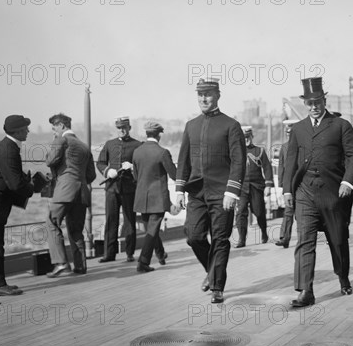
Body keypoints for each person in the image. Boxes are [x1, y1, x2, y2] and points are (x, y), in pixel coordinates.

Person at [283, 77, 353, 307]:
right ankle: (306, 290)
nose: (314, 106)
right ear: (304, 104)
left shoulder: (341, 126)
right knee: (305, 241)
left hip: (334, 194)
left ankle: (343, 276)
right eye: (309, 102)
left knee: (337, 240)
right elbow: (290, 163)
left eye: (317, 101)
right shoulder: (298, 129)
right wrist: (288, 190)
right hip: (305, 193)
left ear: (324, 100)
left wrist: (347, 182)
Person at [176, 78, 246, 304]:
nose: (203, 99)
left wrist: (231, 192)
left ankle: (217, 287)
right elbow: (183, 160)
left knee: (220, 239)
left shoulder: (231, 125)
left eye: (208, 95)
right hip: (197, 192)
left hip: (221, 193)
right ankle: (212, 270)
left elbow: (238, 161)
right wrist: (178, 190)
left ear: (217, 95)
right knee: (193, 236)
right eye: (200, 95)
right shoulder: (191, 126)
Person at [0, 115, 34, 295]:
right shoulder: (9, 149)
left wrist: (24, 180)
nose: (28, 131)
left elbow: (10, 176)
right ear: (18, 131)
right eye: (26, 128)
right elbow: (15, 184)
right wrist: (32, 187)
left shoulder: (6, 146)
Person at [45, 113, 97, 277]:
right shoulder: (84, 146)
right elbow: (91, 176)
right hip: (81, 192)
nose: (54, 131)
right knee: (76, 230)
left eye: (54, 128)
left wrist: (55, 140)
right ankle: (80, 266)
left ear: (61, 126)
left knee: (51, 222)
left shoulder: (61, 140)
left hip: (65, 190)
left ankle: (61, 263)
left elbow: (50, 161)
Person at [132, 122, 176, 273]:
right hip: (158, 198)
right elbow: (174, 175)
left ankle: (160, 254)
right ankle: (143, 262)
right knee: (152, 230)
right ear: (159, 135)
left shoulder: (137, 152)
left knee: (151, 229)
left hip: (142, 198)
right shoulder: (162, 152)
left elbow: (136, 176)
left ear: (147, 134)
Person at [97, 117, 142, 263]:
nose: (121, 130)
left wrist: (133, 166)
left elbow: (142, 165)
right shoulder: (110, 144)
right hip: (111, 189)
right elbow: (100, 163)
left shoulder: (137, 145)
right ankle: (109, 254)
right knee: (111, 220)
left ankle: (129, 253)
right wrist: (107, 171)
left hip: (129, 189)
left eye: (124, 127)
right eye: (118, 128)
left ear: (129, 127)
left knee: (130, 220)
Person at [234, 126, 274, 248]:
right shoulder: (235, 153)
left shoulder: (259, 151)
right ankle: (242, 239)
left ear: (252, 137)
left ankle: (263, 232)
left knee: (259, 212)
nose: (246, 140)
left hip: (256, 187)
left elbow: (267, 168)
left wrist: (268, 185)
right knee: (240, 213)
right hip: (241, 188)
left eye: (248, 137)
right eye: (244, 138)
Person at [275, 119, 297, 248]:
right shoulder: (284, 146)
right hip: (289, 185)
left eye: (291, 132)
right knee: (288, 212)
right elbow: (281, 165)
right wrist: (281, 184)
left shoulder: (302, 145)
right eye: (287, 133)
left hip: (302, 185)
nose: (289, 135)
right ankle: (284, 238)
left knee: (301, 214)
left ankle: (305, 237)